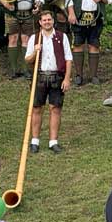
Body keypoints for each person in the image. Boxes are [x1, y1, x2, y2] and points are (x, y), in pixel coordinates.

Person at [24, 9, 73, 154]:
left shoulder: (62, 37)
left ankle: (53, 142)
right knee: (37, 108)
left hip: (57, 76)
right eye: (44, 20)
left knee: (55, 108)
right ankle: (35, 141)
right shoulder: (35, 38)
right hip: (39, 76)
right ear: (40, 22)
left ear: (53, 21)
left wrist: (67, 78)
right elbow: (28, 60)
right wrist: (35, 51)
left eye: (49, 19)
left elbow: (68, 59)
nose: (47, 22)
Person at [64, 0, 112, 85]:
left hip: (95, 17)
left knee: (94, 45)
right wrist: (71, 13)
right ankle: (78, 75)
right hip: (78, 16)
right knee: (78, 44)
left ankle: (94, 76)